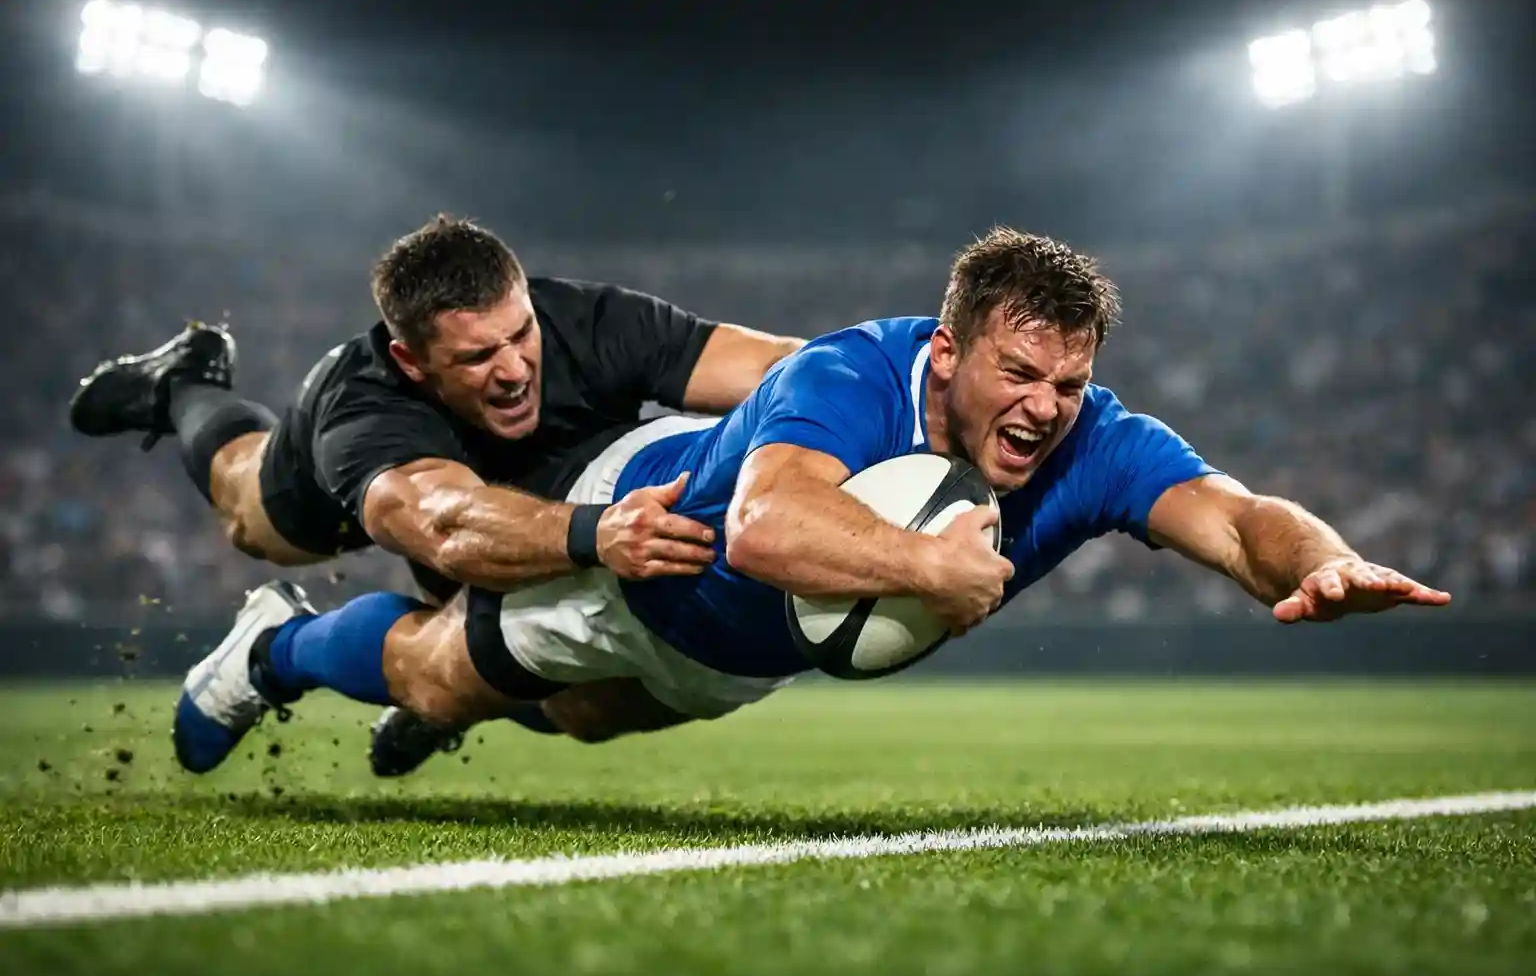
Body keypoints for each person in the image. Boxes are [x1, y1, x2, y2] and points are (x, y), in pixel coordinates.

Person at [171, 226, 1451, 776]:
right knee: (441, 674)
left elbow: (1237, 514)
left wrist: (1319, 561)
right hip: (655, 541)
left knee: (584, 725)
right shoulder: (852, 372)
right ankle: (274, 646)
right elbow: (764, 526)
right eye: (1019, 370)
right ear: (947, 354)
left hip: (740, 653)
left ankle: (465, 698)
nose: (1047, 404)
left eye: (1069, 379)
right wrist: (929, 567)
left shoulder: (1093, 438)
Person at [67, 214, 800, 767]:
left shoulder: (597, 322)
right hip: (411, 495)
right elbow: (443, 529)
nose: (513, 368)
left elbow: (786, 368)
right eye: (478, 356)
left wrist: (883, 395)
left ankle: (447, 694)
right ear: (412, 362)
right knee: (250, 520)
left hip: (531, 494)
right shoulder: (366, 403)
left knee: (588, 710)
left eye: (520, 335)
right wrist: (596, 533)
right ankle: (184, 384)